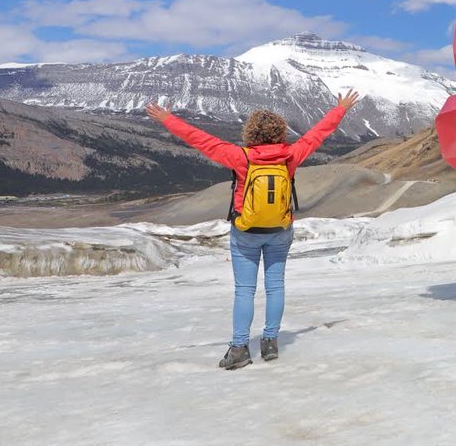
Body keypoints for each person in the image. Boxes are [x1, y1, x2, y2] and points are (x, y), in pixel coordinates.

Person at [146, 91, 360, 370]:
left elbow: (200, 139)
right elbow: (317, 134)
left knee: (244, 290)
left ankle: (239, 349)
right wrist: (340, 108)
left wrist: (167, 119)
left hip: (245, 231)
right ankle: (270, 342)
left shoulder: (240, 157)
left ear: (250, 133)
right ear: (280, 132)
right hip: (281, 229)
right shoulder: (291, 155)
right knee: (276, 286)